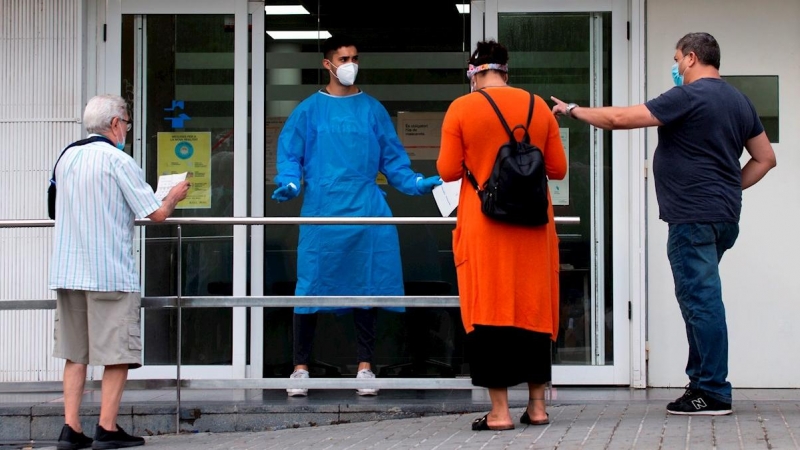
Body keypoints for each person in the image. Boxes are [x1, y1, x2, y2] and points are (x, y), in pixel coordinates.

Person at [551, 32, 776, 416]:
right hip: (722, 217)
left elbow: (621, 119)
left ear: (691, 58)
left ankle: (713, 392)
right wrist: (727, 188)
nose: (674, 67)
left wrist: (573, 110)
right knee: (699, 300)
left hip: (692, 218)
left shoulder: (688, 96)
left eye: (676, 58)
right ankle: (701, 384)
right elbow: (765, 158)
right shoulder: (739, 101)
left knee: (701, 302)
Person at [271, 35, 442, 397]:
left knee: (367, 286)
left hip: (366, 210)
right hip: (323, 211)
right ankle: (299, 367)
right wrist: (288, 182)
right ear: (327, 64)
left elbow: (394, 161)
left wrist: (415, 183)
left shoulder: (372, 110)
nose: (350, 63)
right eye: (343, 57)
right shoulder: (308, 111)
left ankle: (366, 366)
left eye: (355, 57)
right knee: (310, 287)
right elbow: (290, 155)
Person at [437, 40, 567, 431]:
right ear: (506, 70)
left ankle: (499, 412)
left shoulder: (462, 108)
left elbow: (446, 170)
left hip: (485, 228)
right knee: (533, 308)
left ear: (473, 72)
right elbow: (557, 169)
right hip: (534, 229)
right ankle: (538, 406)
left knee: (489, 310)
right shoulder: (539, 107)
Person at [49, 94, 190, 449]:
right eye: (126, 122)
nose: (126, 128)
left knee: (74, 352)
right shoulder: (118, 160)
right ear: (115, 124)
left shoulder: (66, 157)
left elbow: (52, 207)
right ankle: (107, 428)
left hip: (68, 271)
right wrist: (173, 195)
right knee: (118, 353)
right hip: (108, 272)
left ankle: (71, 428)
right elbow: (155, 214)